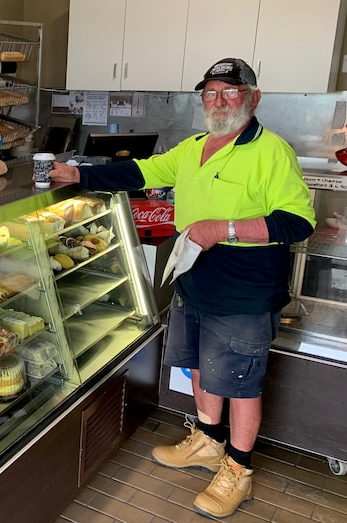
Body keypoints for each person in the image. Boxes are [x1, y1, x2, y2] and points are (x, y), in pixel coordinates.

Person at [48, 58, 315, 518]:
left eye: (230, 91)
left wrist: (223, 228)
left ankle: (239, 470)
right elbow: (144, 172)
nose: (219, 101)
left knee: (241, 384)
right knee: (197, 367)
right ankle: (209, 441)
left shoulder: (273, 152)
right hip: (193, 280)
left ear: (253, 97)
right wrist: (80, 176)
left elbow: (296, 222)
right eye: (210, 93)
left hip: (245, 290)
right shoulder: (195, 146)